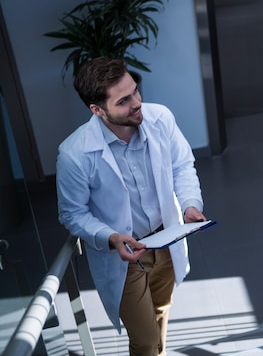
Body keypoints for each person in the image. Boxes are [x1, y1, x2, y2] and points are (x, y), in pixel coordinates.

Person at [57, 57, 207, 356]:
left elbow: (181, 165)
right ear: (97, 110)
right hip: (124, 256)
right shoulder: (74, 154)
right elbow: (72, 213)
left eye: (135, 91)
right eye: (124, 101)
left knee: (162, 308)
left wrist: (190, 204)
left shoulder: (159, 118)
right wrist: (111, 238)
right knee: (145, 341)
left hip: (165, 239)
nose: (137, 103)